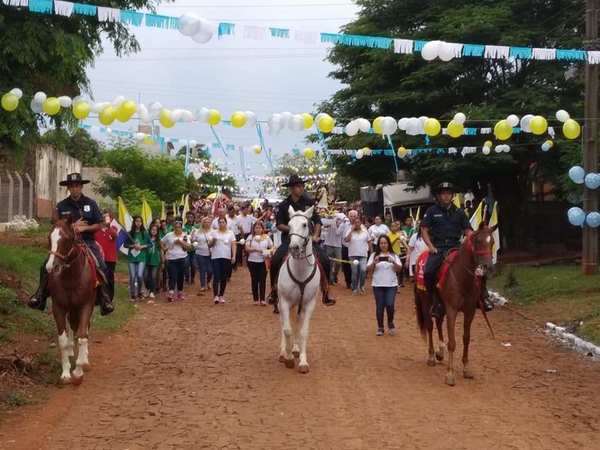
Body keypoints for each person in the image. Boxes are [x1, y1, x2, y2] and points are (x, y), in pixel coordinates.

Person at [28, 173, 113, 315]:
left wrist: (85, 228)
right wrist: (73, 226)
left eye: (77, 186)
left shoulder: (91, 203)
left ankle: (105, 299)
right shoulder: (61, 206)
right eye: (72, 186)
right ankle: (40, 295)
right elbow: (55, 224)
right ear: (68, 188)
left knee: (101, 266)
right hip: (67, 243)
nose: (74, 189)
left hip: (87, 241)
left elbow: (99, 224)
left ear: (81, 187)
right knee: (46, 265)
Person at [268, 174, 336, 309]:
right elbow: (279, 225)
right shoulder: (283, 205)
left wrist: (316, 235)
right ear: (292, 189)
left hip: (308, 241)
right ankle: (274, 292)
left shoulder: (309, 202)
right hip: (289, 240)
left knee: (325, 260)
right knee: (275, 260)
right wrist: (294, 230)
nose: (301, 188)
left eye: (301, 186)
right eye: (298, 186)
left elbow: (317, 221)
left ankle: (326, 292)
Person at [421, 182, 471, 318]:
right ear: (438, 196)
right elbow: (424, 230)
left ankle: (482, 298)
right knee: (428, 272)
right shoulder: (431, 211)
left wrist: (470, 243)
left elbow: (468, 231)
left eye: (448, 193)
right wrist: (431, 247)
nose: (446, 196)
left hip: (456, 248)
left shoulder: (460, 212)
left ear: (452, 195)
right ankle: (434, 301)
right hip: (439, 248)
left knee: (477, 270)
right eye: (443, 193)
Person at [367, 235, 402, 336]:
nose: (383, 245)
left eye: (385, 243)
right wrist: (374, 262)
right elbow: (368, 269)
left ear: (388, 244)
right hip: (378, 284)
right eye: (381, 243)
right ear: (379, 244)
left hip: (391, 284)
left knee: (390, 304)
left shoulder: (394, 255)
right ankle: (380, 327)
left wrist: (394, 262)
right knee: (380, 306)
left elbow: (399, 269)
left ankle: (390, 323)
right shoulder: (374, 255)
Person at [161, 218, 191, 302]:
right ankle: (171, 292)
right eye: (176, 227)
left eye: (179, 227)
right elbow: (161, 241)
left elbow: (188, 247)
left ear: (181, 228)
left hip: (182, 258)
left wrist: (180, 242)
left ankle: (180, 292)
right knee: (172, 275)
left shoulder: (185, 235)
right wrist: (164, 248)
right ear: (173, 227)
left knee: (180, 276)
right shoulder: (169, 235)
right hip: (171, 258)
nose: (177, 229)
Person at [209, 217, 236, 304]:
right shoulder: (214, 233)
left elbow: (233, 245)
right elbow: (209, 245)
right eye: (220, 222)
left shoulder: (230, 233)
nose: (221, 224)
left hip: (226, 257)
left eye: (223, 222)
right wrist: (213, 241)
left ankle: (221, 295)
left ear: (226, 223)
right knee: (216, 276)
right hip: (216, 256)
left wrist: (234, 256)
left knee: (224, 277)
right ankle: (216, 296)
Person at [245, 221, 273, 306]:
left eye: (259, 228)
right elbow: (246, 248)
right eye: (256, 228)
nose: (258, 229)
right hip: (252, 261)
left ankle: (262, 299)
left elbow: (272, 247)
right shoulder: (250, 237)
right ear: (253, 229)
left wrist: (267, 251)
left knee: (262, 280)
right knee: (254, 279)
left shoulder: (266, 237)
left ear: (262, 229)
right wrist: (253, 249)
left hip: (263, 261)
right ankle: (255, 299)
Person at [94, 210, 118, 301]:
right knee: (98, 278)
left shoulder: (113, 228)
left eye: (108, 217)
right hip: (99, 258)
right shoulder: (96, 230)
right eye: (104, 217)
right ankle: (99, 297)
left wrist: (109, 226)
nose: (105, 219)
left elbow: (115, 235)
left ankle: (109, 298)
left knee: (109, 278)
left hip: (110, 259)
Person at [125, 216, 150, 301]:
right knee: (132, 276)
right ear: (134, 222)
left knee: (139, 275)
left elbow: (150, 244)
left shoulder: (145, 233)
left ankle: (139, 292)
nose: (138, 223)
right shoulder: (130, 233)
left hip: (141, 258)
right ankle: (132, 295)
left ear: (142, 223)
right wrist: (133, 246)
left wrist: (142, 246)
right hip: (131, 258)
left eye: (140, 221)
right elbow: (125, 245)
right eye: (136, 221)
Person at [344, 214, 370, 295]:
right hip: (353, 254)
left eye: (358, 222)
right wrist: (351, 230)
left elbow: (369, 241)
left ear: (361, 223)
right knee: (354, 272)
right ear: (353, 224)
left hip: (363, 254)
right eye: (355, 223)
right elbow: (346, 240)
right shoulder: (350, 230)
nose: (357, 224)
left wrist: (370, 251)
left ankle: (361, 286)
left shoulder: (365, 230)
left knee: (363, 270)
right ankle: (355, 288)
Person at [321, 212, 344, 285]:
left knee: (338, 263)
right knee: (329, 262)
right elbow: (323, 226)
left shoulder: (342, 216)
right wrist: (329, 222)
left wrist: (337, 224)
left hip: (338, 245)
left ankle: (334, 275)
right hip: (328, 244)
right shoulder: (329, 216)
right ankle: (330, 279)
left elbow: (338, 232)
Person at [192, 217, 213, 294]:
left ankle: (208, 281)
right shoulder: (197, 232)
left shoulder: (213, 231)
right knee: (202, 270)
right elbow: (193, 240)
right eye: (205, 222)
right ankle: (203, 285)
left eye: (208, 222)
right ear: (202, 223)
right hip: (200, 253)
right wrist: (193, 238)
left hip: (210, 253)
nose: (207, 223)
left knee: (210, 270)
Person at [340, 210, 357, 289]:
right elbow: (339, 233)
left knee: (354, 265)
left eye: (354, 216)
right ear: (348, 216)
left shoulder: (359, 225)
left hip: (355, 248)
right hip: (345, 247)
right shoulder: (344, 225)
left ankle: (355, 282)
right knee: (346, 265)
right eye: (351, 216)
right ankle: (348, 281)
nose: (353, 218)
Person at [387, 221, 407, 288]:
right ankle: (391, 284)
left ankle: (398, 284)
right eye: (392, 226)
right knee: (391, 270)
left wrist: (408, 249)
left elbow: (404, 243)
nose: (394, 228)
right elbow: (389, 245)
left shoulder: (399, 235)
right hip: (390, 254)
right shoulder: (388, 235)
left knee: (399, 269)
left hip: (397, 255)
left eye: (395, 226)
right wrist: (396, 239)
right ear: (390, 227)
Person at [145, 223, 161, 299]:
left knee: (153, 276)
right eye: (152, 230)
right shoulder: (146, 238)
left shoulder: (158, 240)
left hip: (155, 260)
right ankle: (147, 289)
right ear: (150, 230)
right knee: (145, 276)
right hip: (146, 259)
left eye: (155, 230)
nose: (154, 231)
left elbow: (161, 250)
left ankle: (152, 291)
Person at [183, 212, 197, 285]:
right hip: (185, 249)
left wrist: (195, 240)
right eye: (188, 217)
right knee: (186, 264)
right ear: (186, 218)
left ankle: (192, 278)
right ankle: (187, 277)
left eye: (191, 217)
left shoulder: (196, 227)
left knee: (193, 265)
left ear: (194, 218)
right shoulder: (183, 227)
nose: (190, 219)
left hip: (194, 250)